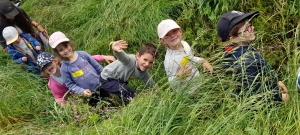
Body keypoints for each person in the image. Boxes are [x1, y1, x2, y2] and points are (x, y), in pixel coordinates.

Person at [217, 10, 289, 101]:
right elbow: (255, 95)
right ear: (233, 39)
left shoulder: (239, 50)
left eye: (250, 24)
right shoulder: (247, 61)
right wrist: (281, 97)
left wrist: (277, 80)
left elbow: (264, 68)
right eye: (247, 29)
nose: (253, 28)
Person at [49, 31, 111, 106]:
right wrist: (82, 91)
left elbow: (97, 67)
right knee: (99, 108)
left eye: (66, 46)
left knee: (109, 103)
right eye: (61, 50)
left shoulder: (83, 54)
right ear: (58, 53)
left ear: (70, 44)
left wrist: (106, 77)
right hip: (88, 93)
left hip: (100, 85)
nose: (65, 50)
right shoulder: (64, 69)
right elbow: (70, 85)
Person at [37, 52, 116, 106]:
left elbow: (85, 61)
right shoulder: (52, 84)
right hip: (80, 98)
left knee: (108, 101)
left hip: (92, 87)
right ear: (44, 71)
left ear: (55, 61)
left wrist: (103, 57)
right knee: (97, 109)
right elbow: (58, 96)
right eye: (44, 67)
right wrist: (65, 105)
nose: (48, 67)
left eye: (49, 64)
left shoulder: (68, 66)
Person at [157, 19, 213, 87]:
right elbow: (171, 83)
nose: (172, 35)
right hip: (188, 93)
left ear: (180, 31)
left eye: (174, 31)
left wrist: (202, 61)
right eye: (167, 35)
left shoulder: (185, 44)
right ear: (163, 41)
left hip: (198, 82)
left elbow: (190, 58)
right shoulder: (170, 60)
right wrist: (179, 77)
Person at [100, 40, 158, 105]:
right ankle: (135, 103)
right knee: (126, 90)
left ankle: (126, 102)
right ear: (138, 56)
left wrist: (159, 92)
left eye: (151, 62)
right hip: (107, 79)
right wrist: (116, 50)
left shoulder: (144, 73)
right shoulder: (130, 61)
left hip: (120, 80)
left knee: (127, 90)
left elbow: (150, 83)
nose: (147, 64)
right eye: (145, 59)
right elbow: (123, 57)